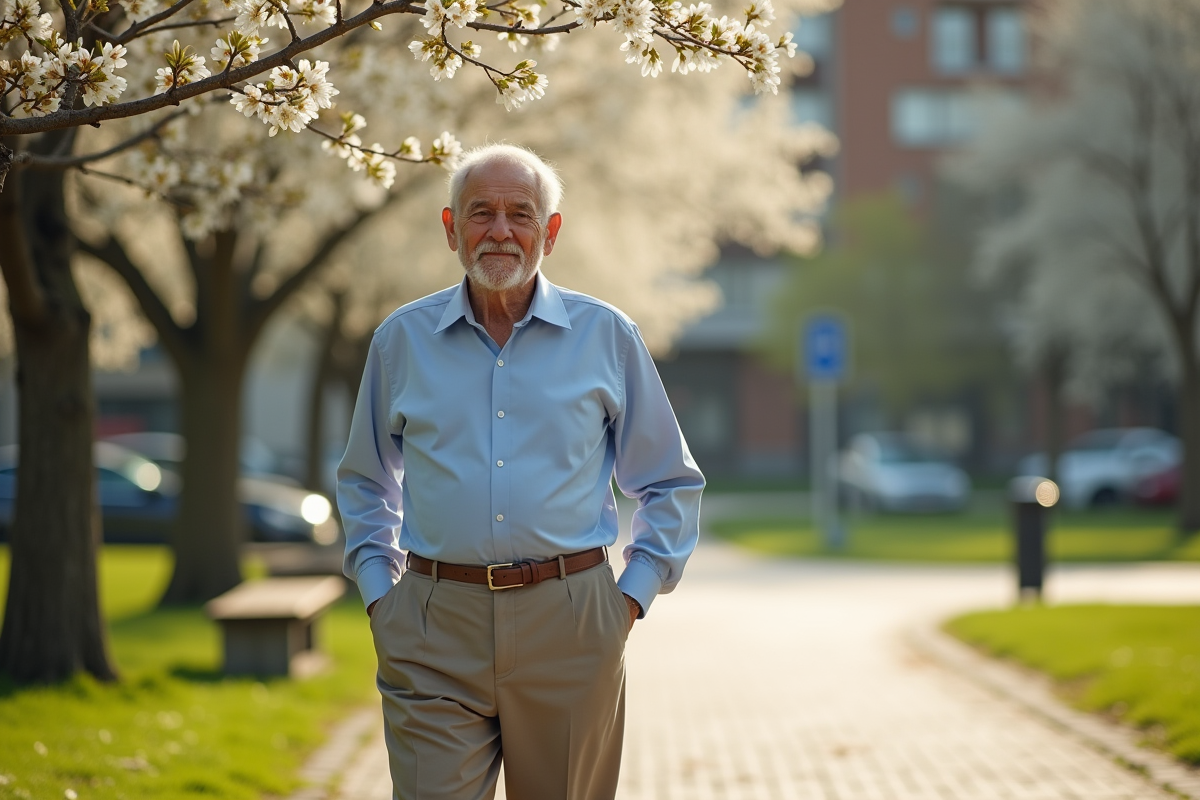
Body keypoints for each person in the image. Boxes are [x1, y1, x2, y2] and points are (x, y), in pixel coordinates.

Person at [337, 143, 704, 800]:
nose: (501, 231)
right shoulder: (401, 341)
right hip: (431, 626)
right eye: (481, 213)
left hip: (572, 622)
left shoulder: (607, 336)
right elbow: (365, 479)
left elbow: (670, 480)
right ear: (452, 228)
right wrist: (378, 594)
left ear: (550, 232)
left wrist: (628, 601)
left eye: (521, 214)